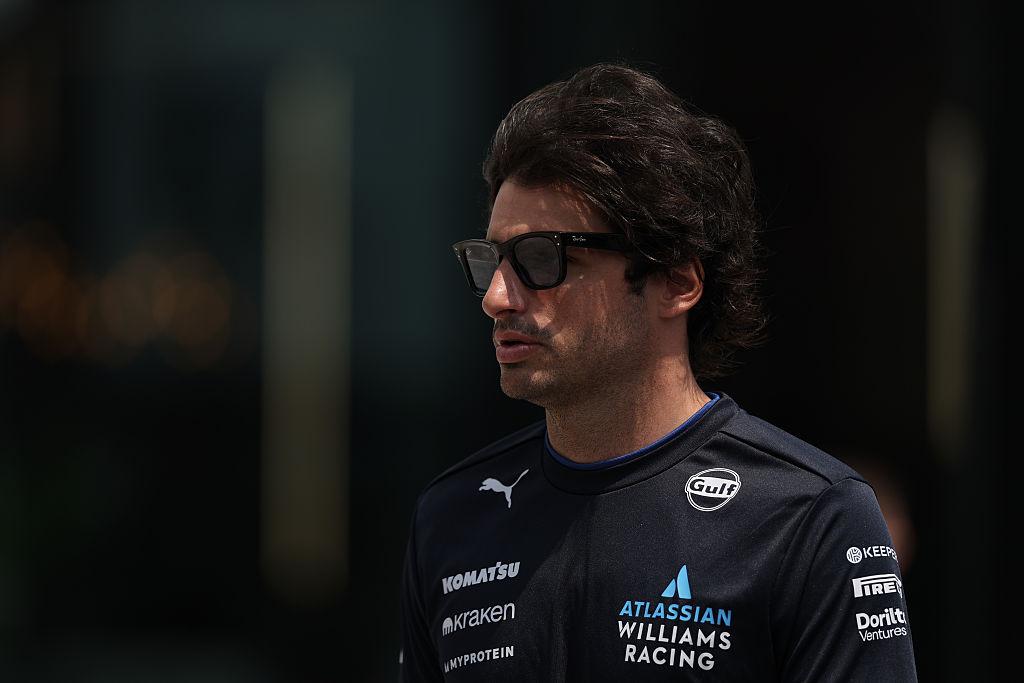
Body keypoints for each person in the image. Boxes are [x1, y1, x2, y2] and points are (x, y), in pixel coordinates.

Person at [399, 63, 917, 681]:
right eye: (491, 261)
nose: (497, 298)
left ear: (675, 281)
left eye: (542, 258)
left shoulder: (810, 517)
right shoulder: (454, 517)